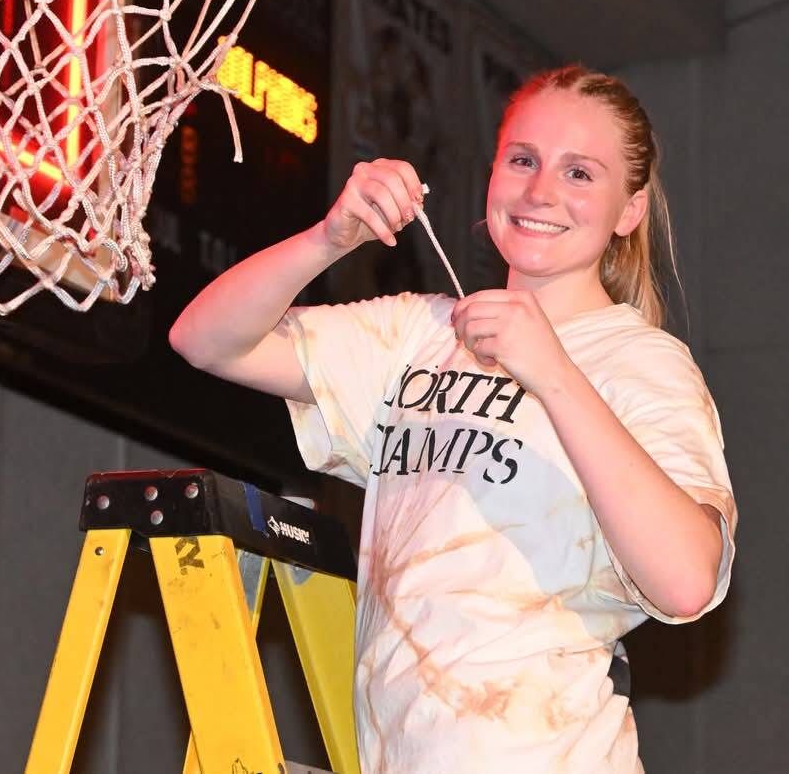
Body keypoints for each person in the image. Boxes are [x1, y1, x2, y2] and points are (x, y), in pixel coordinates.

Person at [169, 65, 736, 773]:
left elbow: (685, 578)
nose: (540, 191)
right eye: (523, 160)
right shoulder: (417, 331)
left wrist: (551, 371)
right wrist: (330, 237)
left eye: (580, 173)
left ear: (629, 210)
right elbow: (204, 338)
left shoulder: (640, 361)